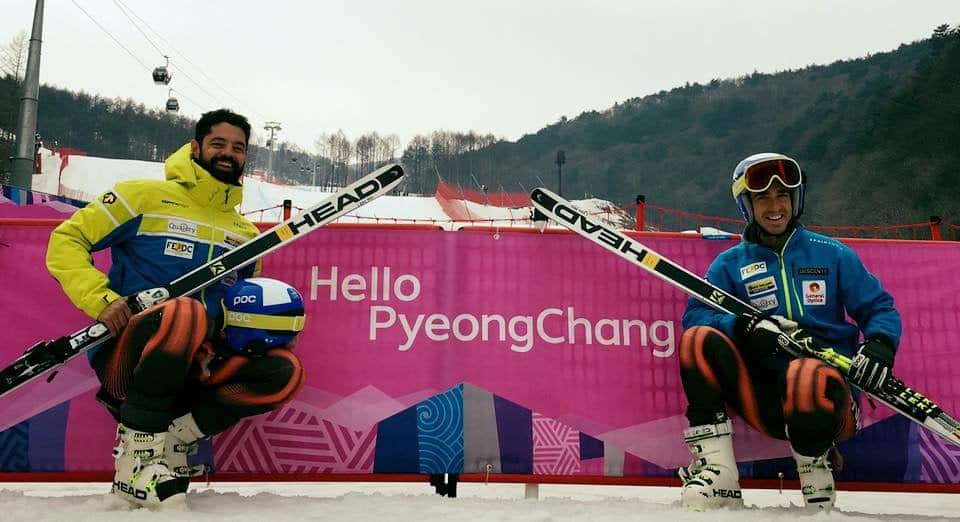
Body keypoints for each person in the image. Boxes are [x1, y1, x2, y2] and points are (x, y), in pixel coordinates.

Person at [45, 109, 306, 510]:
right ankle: (137, 461)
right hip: (130, 358)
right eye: (218, 143)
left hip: (193, 366)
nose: (228, 153)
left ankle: (173, 441)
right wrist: (102, 300)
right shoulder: (141, 197)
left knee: (284, 371)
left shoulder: (244, 234)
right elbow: (67, 240)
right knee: (183, 312)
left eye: (238, 148)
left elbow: (236, 308)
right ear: (196, 147)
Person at [677, 153, 901, 511]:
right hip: (764, 399)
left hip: (828, 397)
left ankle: (817, 470)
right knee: (696, 340)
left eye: (783, 195)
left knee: (804, 374)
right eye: (762, 198)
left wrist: (880, 344)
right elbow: (696, 317)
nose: (774, 205)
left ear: (795, 200)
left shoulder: (832, 254)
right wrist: (742, 327)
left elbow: (879, 308)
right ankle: (718, 473)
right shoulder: (730, 264)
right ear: (746, 205)